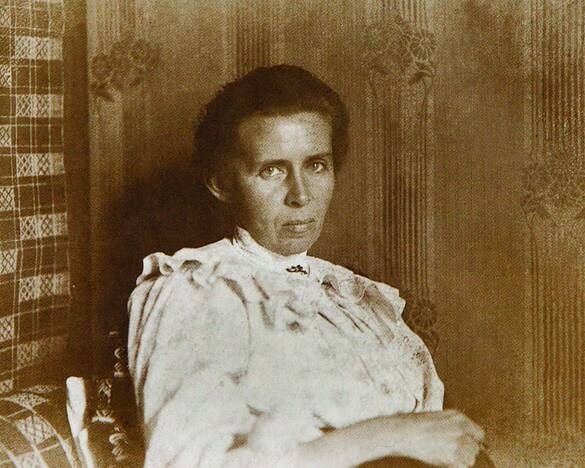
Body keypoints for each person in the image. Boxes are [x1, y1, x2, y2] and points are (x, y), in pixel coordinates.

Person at [127, 64, 485, 467]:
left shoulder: (355, 298)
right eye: (272, 170)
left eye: (316, 165)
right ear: (222, 183)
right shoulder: (199, 288)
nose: (300, 195)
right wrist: (391, 435)